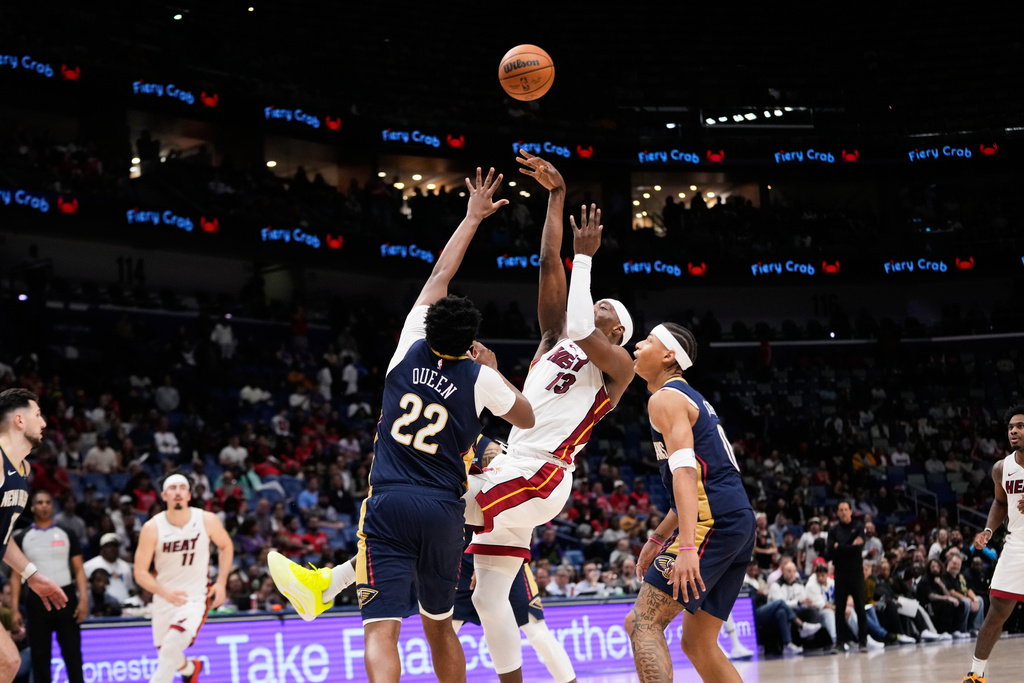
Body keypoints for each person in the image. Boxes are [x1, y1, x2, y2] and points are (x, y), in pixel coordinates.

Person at [268, 167, 535, 683]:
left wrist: (472, 216)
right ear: (469, 340)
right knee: (439, 627)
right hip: (442, 509)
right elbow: (523, 416)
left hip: (389, 501)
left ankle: (321, 585)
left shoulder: (405, 349)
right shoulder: (480, 377)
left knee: (381, 629)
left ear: (430, 325)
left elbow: (440, 276)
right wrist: (496, 375)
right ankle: (320, 584)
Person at [459, 152, 636, 683]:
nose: (596, 304)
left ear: (617, 332)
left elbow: (583, 324)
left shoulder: (618, 368)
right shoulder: (553, 340)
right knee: (491, 599)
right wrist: (556, 198)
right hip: (519, 465)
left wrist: (586, 261)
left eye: (606, 305)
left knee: (434, 501)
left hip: (542, 475)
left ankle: (334, 581)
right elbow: (546, 267)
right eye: (596, 300)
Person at [625, 323, 755, 683]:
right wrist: (656, 540)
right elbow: (688, 486)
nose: (637, 345)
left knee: (642, 622)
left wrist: (685, 547)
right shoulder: (690, 398)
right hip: (735, 519)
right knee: (698, 642)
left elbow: (686, 476)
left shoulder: (665, 398)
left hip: (710, 522)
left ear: (668, 356)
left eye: (647, 341)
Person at [133, 474, 233, 683]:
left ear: (188, 494)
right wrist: (163, 592)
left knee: (170, 647)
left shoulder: (206, 520)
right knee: (166, 652)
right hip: (164, 597)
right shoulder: (152, 527)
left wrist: (222, 582)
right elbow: (140, 572)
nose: (177, 492)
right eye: (172, 488)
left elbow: (225, 546)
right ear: (164, 495)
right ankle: (190, 670)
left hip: (195, 597)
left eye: (182, 488)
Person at [0, 389, 68, 683]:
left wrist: (32, 575)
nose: (43, 423)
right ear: (18, 420)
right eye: (37, 415)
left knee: (8, 663)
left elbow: (1, 538)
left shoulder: (22, 469)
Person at [962, 405, 1024, 682]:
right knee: (996, 609)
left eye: (1020, 426)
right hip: (1017, 544)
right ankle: (976, 674)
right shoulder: (1002, 468)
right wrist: (988, 530)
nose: (1014, 431)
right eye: (1011, 427)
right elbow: (1000, 502)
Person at [10, 491, 87, 683]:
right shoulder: (22, 537)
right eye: (39, 502)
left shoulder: (67, 533)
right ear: (33, 508)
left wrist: (84, 599)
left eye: (47, 502)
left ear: (52, 507)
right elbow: (15, 576)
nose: (44, 505)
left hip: (66, 597)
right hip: (36, 602)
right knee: (40, 656)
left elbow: (78, 569)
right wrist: (13, 610)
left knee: (73, 655)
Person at [828, 501, 868, 652]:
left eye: (846, 509)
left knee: (860, 608)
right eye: (840, 510)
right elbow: (830, 551)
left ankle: (863, 642)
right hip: (840, 573)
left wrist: (840, 546)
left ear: (851, 511)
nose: (843, 512)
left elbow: (858, 548)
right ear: (837, 513)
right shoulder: (833, 530)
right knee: (840, 609)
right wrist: (850, 545)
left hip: (856, 573)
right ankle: (839, 643)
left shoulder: (858, 527)